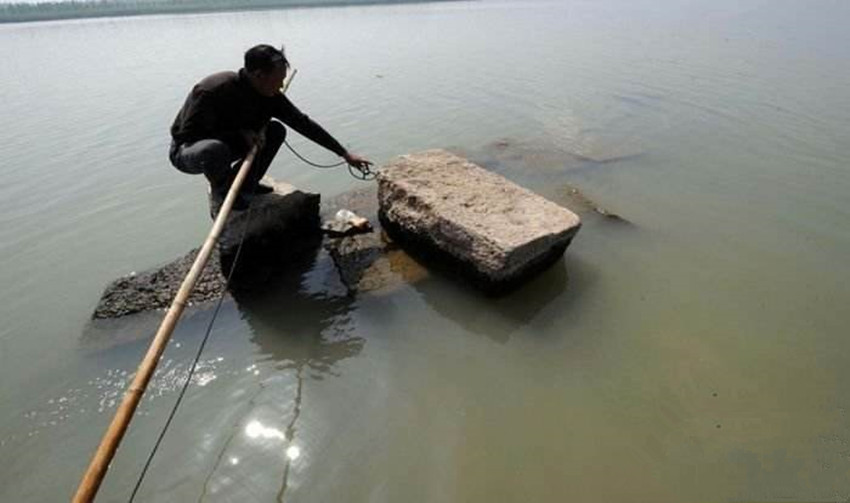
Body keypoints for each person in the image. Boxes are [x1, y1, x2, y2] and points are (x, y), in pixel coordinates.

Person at [169, 44, 372, 210]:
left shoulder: (270, 95)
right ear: (259, 75)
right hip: (189, 152)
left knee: (275, 130)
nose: (281, 86)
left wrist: (344, 154)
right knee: (213, 149)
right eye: (278, 79)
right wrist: (239, 131)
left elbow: (302, 123)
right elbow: (188, 134)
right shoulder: (214, 88)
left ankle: (246, 185)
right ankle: (223, 193)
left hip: (230, 144)